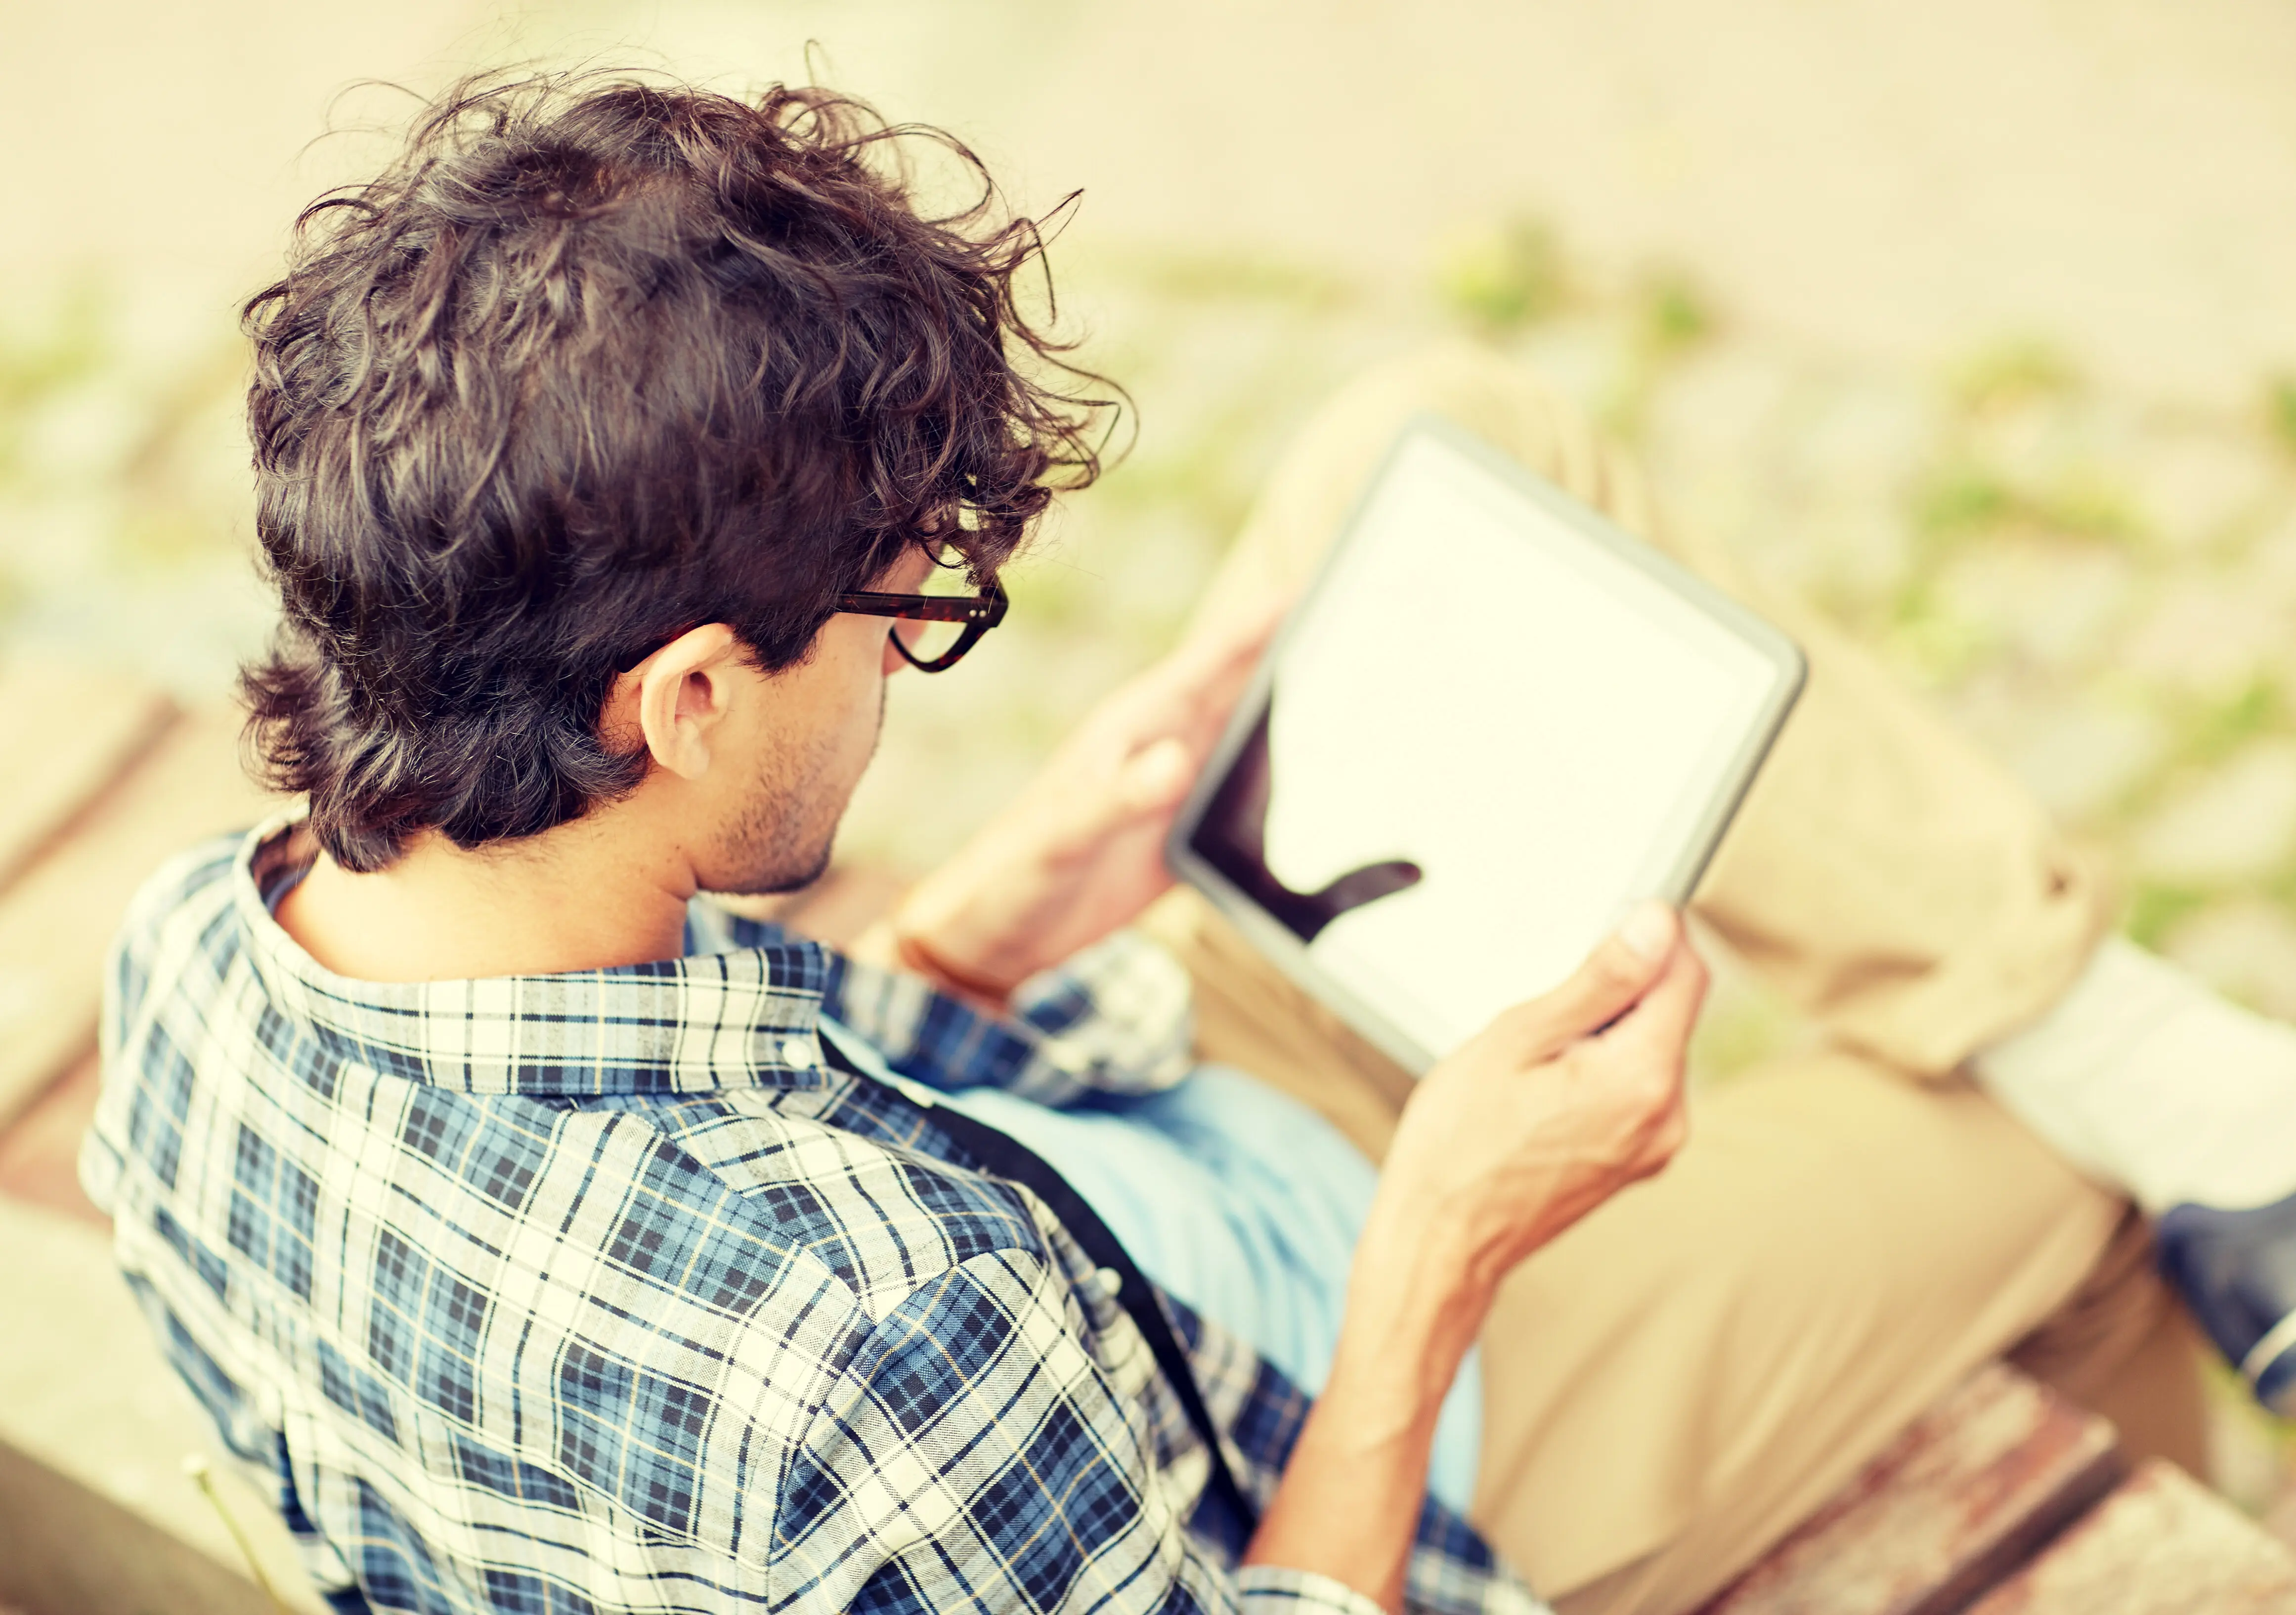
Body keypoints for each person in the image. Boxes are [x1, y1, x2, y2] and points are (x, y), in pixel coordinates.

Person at [77, 71, 2296, 1615]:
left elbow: (683, 1120)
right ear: (685, 698)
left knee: (1443, 439)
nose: (910, 661)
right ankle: (2170, 1177)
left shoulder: (205, 945)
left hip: (1108, 1113)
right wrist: (1440, 1246)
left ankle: (2135, 1046)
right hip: (1358, 1406)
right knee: (2061, 1171)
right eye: (898, 617)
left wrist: (970, 928)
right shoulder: (877, 1350)